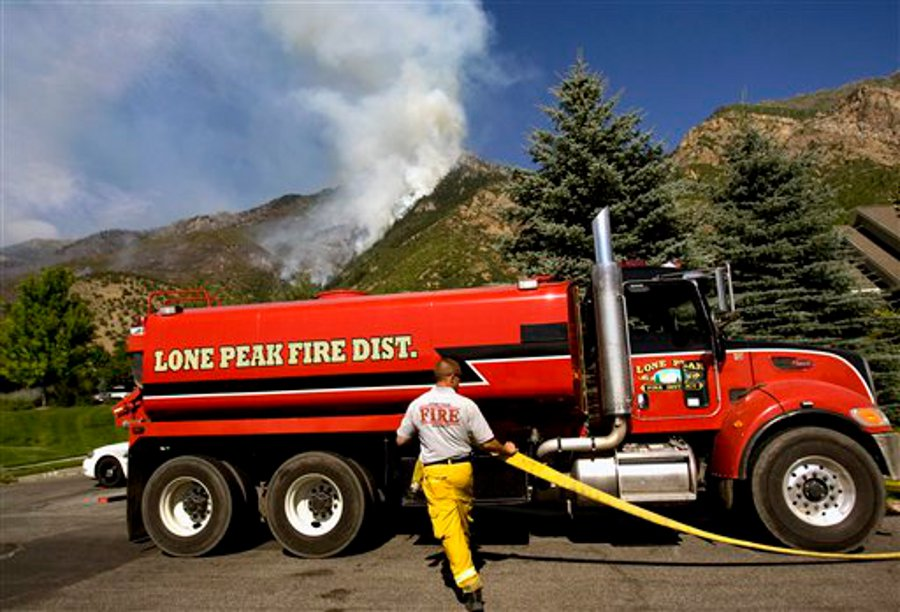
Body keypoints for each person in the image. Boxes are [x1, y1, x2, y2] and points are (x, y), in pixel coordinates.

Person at [396, 358, 517, 612]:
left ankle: (470, 585)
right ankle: (468, 574)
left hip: (436, 474)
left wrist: (427, 435)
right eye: (459, 378)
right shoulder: (466, 405)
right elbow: (487, 442)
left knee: (451, 529)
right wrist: (505, 449)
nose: (460, 382)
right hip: (462, 471)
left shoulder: (417, 405)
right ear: (451, 378)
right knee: (460, 522)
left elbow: (400, 439)